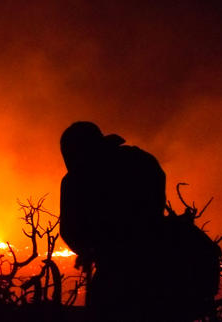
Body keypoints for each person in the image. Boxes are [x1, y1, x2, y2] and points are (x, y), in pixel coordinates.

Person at [59, 121, 166, 318]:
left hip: (115, 271)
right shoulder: (141, 161)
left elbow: (70, 230)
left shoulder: (76, 180)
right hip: (159, 267)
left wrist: (88, 249)